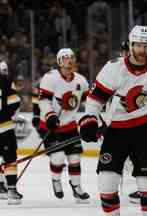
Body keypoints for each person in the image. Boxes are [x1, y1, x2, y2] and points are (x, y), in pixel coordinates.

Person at [79, 25, 147, 215]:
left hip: (145, 132)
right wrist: (89, 119)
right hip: (116, 132)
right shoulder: (113, 68)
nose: (142, 50)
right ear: (130, 45)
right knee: (106, 182)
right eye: (138, 45)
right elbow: (95, 99)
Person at [38, 48, 90, 202]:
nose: (69, 60)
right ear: (59, 61)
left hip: (70, 126)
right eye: (65, 58)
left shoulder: (81, 80)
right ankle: (56, 180)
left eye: (71, 57)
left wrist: (95, 120)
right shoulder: (50, 78)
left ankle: (77, 188)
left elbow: (91, 102)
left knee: (74, 158)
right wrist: (50, 115)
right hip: (50, 126)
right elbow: (43, 100)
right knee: (58, 157)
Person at [0, 61, 22, 204]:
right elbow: (15, 102)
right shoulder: (6, 81)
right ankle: (11, 190)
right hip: (4, 127)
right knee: (9, 158)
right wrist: (6, 114)